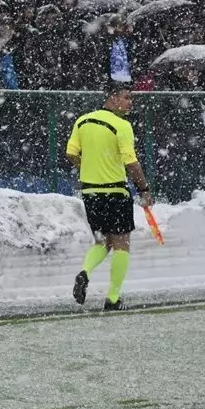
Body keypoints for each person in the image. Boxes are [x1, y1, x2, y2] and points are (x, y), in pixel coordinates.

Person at [67, 81, 153, 311]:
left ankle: (85, 271)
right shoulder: (121, 125)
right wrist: (144, 188)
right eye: (126, 98)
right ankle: (113, 298)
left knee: (103, 241)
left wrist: (88, 167)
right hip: (115, 190)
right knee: (122, 243)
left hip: (90, 192)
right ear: (113, 98)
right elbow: (131, 162)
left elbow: (71, 152)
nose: (130, 103)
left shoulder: (82, 121)